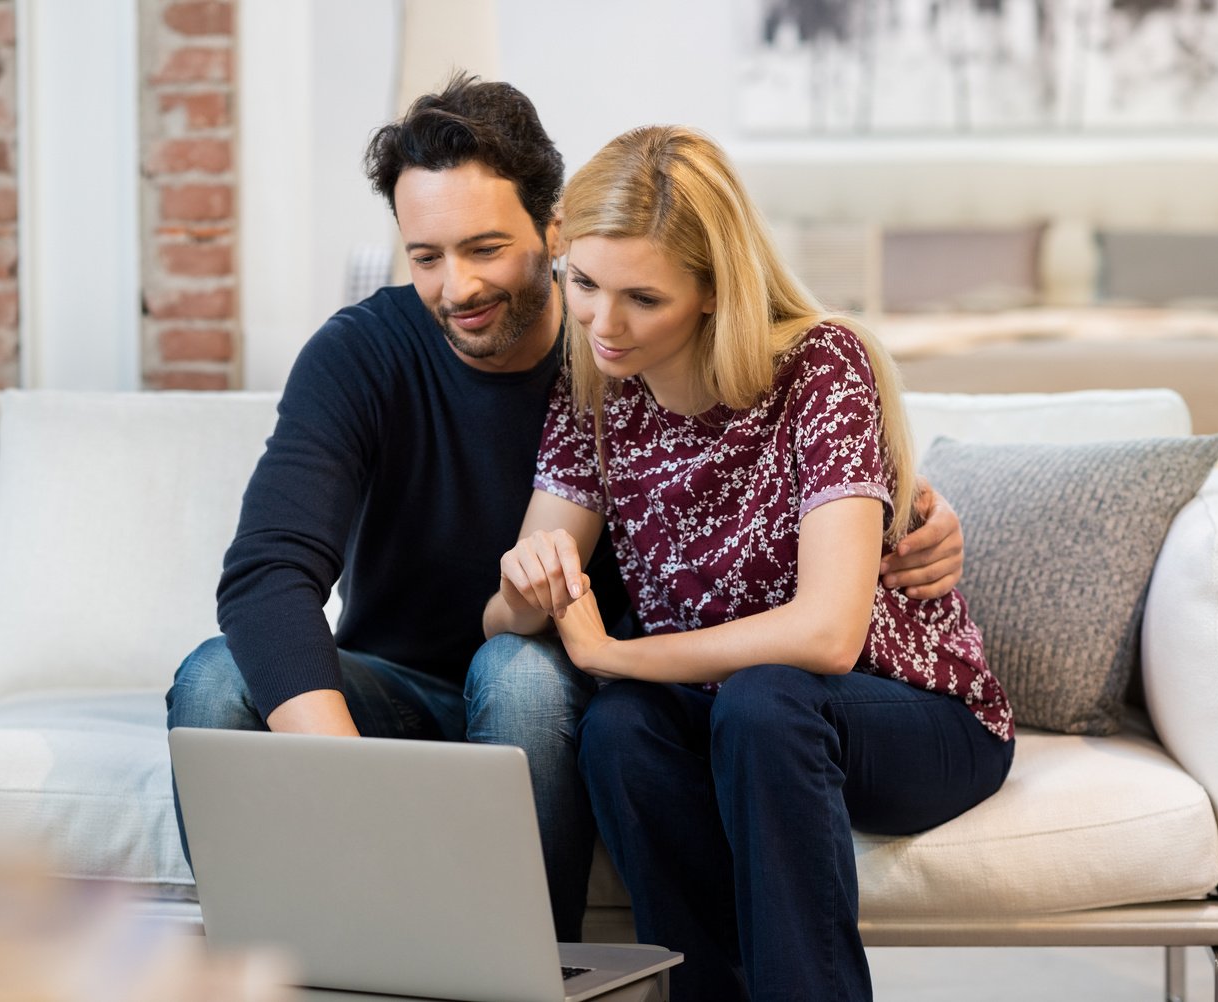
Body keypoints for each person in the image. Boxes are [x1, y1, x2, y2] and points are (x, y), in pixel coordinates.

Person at [166, 76, 969, 945]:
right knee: (216, 677)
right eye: (425, 255)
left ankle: (534, 971)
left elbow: (761, 446)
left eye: (484, 248)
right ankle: (285, 968)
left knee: (518, 671)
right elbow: (264, 577)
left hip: (566, 690)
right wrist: (358, 787)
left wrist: (909, 510)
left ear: (556, 231)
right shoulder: (365, 356)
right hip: (397, 692)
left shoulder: (620, 354)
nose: (456, 287)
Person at [484, 125, 1014, 1000]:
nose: (603, 325)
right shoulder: (594, 391)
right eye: (582, 283)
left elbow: (827, 635)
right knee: (620, 732)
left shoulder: (819, 367)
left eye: (641, 299)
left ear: (711, 289)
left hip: (917, 716)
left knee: (767, 701)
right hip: (734, 713)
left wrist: (612, 656)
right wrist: (524, 587)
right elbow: (506, 617)